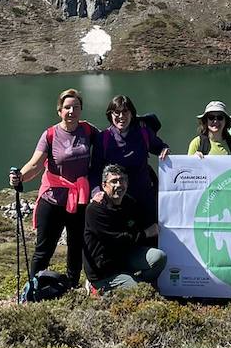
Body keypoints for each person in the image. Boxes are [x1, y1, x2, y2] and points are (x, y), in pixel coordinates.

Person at [10, 87, 98, 290]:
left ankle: (71, 285)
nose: (71, 111)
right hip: (52, 200)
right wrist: (20, 177)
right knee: (44, 249)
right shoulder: (50, 135)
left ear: (81, 109)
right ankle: (33, 287)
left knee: (76, 246)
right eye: (67, 107)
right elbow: (35, 164)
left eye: (76, 107)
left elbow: (109, 141)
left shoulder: (87, 130)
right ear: (59, 111)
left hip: (79, 199)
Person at [83, 165, 166, 293]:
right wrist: (145, 233)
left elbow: (137, 227)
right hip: (105, 270)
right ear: (104, 185)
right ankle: (96, 286)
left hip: (124, 257)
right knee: (141, 291)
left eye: (122, 180)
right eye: (114, 181)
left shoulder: (129, 203)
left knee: (159, 257)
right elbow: (117, 239)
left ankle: (134, 280)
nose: (119, 185)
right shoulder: (95, 209)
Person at [98, 95, 169, 215]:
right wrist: (96, 192)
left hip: (143, 195)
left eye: (125, 111)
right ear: (110, 114)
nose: (121, 116)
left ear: (132, 114)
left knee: (151, 231)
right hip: (115, 198)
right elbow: (95, 169)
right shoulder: (103, 138)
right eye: (117, 112)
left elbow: (160, 147)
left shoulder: (143, 132)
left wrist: (164, 149)